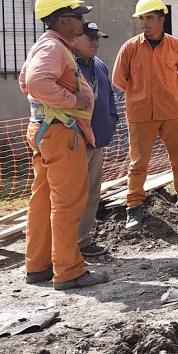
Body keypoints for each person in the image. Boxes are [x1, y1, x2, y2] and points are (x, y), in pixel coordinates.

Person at [19, 0, 108, 290]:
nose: (82, 21)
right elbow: (35, 82)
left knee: (43, 201)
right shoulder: (54, 48)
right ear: (61, 20)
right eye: (77, 15)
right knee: (68, 203)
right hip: (61, 132)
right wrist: (72, 101)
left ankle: (39, 265)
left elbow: (25, 81)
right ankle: (69, 270)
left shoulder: (49, 45)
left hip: (48, 130)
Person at [112, 0, 178, 229]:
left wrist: (168, 91)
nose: (145, 23)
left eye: (150, 18)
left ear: (162, 19)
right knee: (138, 163)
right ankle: (134, 206)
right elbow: (119, 79)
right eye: (142, 18)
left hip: (172, 112)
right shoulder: (130, 48)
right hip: (140, 114)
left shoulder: (176, 46)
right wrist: (140, 93)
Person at [73, 21, 118, 257]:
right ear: (75, 38)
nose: (95, 42)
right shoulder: (69, 65)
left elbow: (109, 94)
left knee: (92, 194)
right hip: (75, 142)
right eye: (89, 37)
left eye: (97, 38)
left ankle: (83, 241)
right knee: (72, 196)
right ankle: (65, 245)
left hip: (97, 141)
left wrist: (111, 119)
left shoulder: (99, 64)